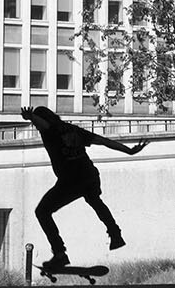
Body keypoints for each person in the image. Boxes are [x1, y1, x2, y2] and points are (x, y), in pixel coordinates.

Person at [19, 105, 146, 273]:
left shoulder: (50, 131)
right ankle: (115, 234)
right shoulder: (73, 129)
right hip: (89, 175)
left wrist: (31, 117)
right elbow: (103, 141)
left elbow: (45, 125)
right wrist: (128, 150)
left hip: (70, 181)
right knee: (95, 201)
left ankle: (59, 253)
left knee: (42, 211)